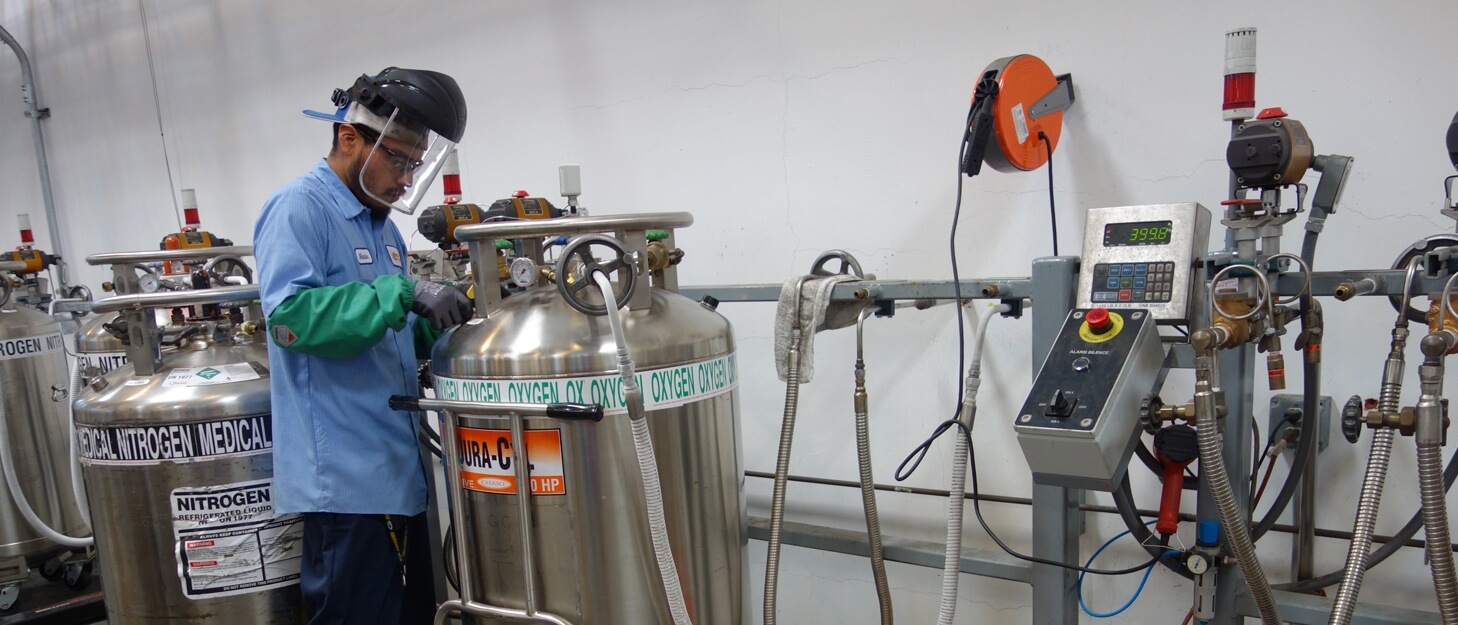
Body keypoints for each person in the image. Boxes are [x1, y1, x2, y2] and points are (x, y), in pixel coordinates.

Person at [253, 66, 473, 625]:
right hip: (345, 490)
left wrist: (439, 321)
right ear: (350, 138)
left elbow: (389, 325)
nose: (405, 178)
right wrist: (401, 292)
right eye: (398, 159)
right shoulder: (299, 208)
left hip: (397, 478)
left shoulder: (383, 230)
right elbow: (290, 319)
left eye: (414, 164)